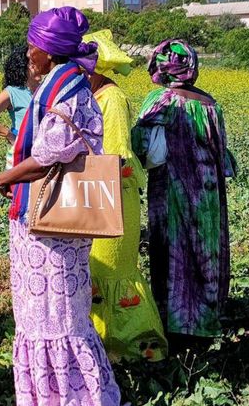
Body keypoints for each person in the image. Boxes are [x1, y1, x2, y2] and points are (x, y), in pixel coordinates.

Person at [0, 7, 121, 406]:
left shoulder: (66, 90)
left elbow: (50, 153)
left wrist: (7, 177)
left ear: (48, 52)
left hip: (51, 225)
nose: (28, 53)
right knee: (46, 311)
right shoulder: (65, 83)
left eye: (33, 46)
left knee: (56, 312)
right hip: (44, 223)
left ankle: (66, 396)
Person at [131, 40, 236, 346]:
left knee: (172, 252)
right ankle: (204, 320)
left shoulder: (160, 100)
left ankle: (174, 324)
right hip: (207, 190)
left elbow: (140, 144)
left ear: (162, 66)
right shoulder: (210, 103)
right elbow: (221, 151)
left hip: (171, 189)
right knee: (204, 250)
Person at [81, 29, 168, 362]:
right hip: (102, 192)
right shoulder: (96, 95)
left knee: (113, 273)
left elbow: (114, 156)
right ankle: (104, 347)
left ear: (94, 68)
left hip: (114, 194)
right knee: (98, 273)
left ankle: (135, 348)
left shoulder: (111, 98)